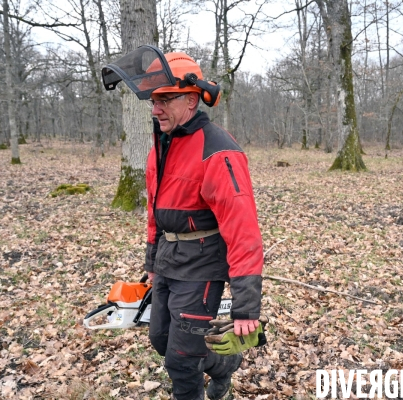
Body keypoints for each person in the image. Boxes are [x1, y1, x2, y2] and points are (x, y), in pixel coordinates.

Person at [141, 52, 264, 400]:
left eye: (165, 100)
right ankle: (225, 364)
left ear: (191, 99)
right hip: (169, 258)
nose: (156, 109)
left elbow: (243, 229)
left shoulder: (218, 151)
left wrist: (245, 307)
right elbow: (156, 209)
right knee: (161, 340)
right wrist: (152, 262)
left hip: (203, 265)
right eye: (153, 100)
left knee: (180, 361)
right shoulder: (162, 144)